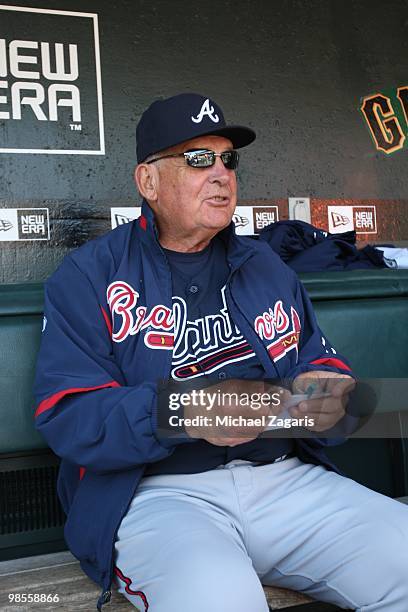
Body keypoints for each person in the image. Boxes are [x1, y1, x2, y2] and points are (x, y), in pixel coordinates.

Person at [34, 93, 408, 612]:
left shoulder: (266, 267)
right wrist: (188, 411)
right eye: (198, 159)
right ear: (148, 182)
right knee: (218, 601)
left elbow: (324, 367)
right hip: (159, 493)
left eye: (228, 159)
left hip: (285, 479)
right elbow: (69, 415)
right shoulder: (89, 276)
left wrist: (327, 397)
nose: (221, 174)